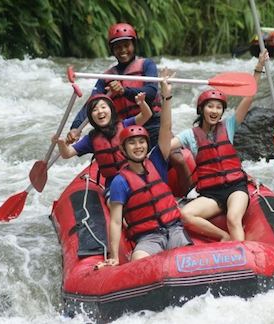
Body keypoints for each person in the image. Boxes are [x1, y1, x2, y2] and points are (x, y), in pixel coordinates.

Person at [67, 22, 193, 197]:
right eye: (117, 47)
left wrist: (124, 90)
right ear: (112, 50)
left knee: (178, 158)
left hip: (151, 123)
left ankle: (190, 196)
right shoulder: (106, 76)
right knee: (128, 171)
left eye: (126, 45)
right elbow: (91, 103)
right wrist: (75, 127)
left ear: (133, 45)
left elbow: (150, 92)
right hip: (124, 129)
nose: (123, 50)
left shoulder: (146, 65)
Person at [170, 50, 269, 242]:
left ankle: (241, 258)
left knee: (233, 218)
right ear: (202, 109)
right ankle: (223, 237)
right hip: (211, 194)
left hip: (235, 188)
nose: (214, 110)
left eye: (218, 107)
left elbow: (248, 97)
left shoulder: (229, 126)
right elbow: (166, 146)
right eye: (210, 106)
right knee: (185, 214)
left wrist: (258, 69)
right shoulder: (190, 135)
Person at [97, 70, 192, 268]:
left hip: (174, 229)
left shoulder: (157, 160)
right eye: (132, 143)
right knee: (139, 263)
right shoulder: (120, 181)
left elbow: (165, 127)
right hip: (148, 237)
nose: (138, 146)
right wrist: (114, 256)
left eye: (141, 142)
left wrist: (166, 96)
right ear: (123, 149)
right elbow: (115, 222)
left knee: (189, 261)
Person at [52, 92, 152, 197]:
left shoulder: (125, 125)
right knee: (113, 200)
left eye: (103, 107)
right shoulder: (91, 139)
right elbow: (67, 154)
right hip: (113, 183)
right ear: (91, 117)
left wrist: (142, 103)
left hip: (134, 174)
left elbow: (146, 115)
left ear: (111, 111)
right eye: (95, 110)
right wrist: (61, 143)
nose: (100, 111)